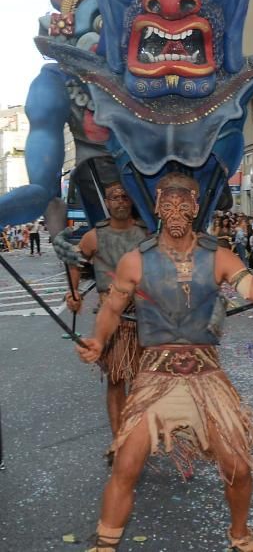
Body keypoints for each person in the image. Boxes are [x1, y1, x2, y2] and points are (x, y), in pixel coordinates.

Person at [77, 172, 253, 552]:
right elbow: (112, 308)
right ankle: (105, 544)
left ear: (196, 206)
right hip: (155, 375)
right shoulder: (136, 260)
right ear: (155, 206)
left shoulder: (217, 255)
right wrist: (99, 340)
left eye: (183, 203)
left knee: (238, 467)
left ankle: (240, 536)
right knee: (126, 464)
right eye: (167, 204)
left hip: (205, 374)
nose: (175, 211)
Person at [65, 182, 147, 456]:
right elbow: (75, 261)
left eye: (125, 196)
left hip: (144, 318)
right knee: (115, 380)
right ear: (107, 203)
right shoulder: (94, 237)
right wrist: (74, 292)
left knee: (142, 382)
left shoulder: (146, 234)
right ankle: (119, 441)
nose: (121, 201)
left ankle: (136, 434)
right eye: (115, 197)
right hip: (112, 320)